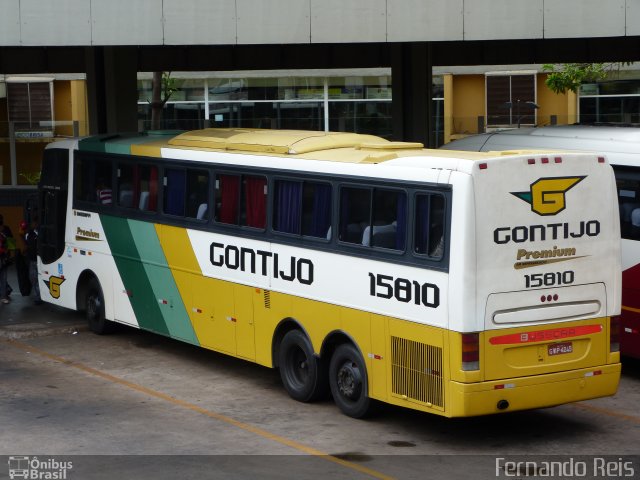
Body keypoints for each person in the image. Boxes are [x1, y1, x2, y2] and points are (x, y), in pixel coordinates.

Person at [24, 217, 42, 304]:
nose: (33, 225)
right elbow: (26, 244)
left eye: (34, 223)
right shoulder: (29, 234)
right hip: (32, 259)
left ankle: (38, 297)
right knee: (33, 278)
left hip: (39, 260)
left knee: (38, 278)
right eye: (32, 223)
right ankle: (37, 296)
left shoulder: (40, 233)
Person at [0, 213, 15, 304]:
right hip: (4, 257)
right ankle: (4, 294)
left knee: (3, 277)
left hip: (3, 258)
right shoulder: (6, 229)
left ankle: (3, 295)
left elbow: (11, 244)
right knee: (3, 277)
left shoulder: (6, 230)